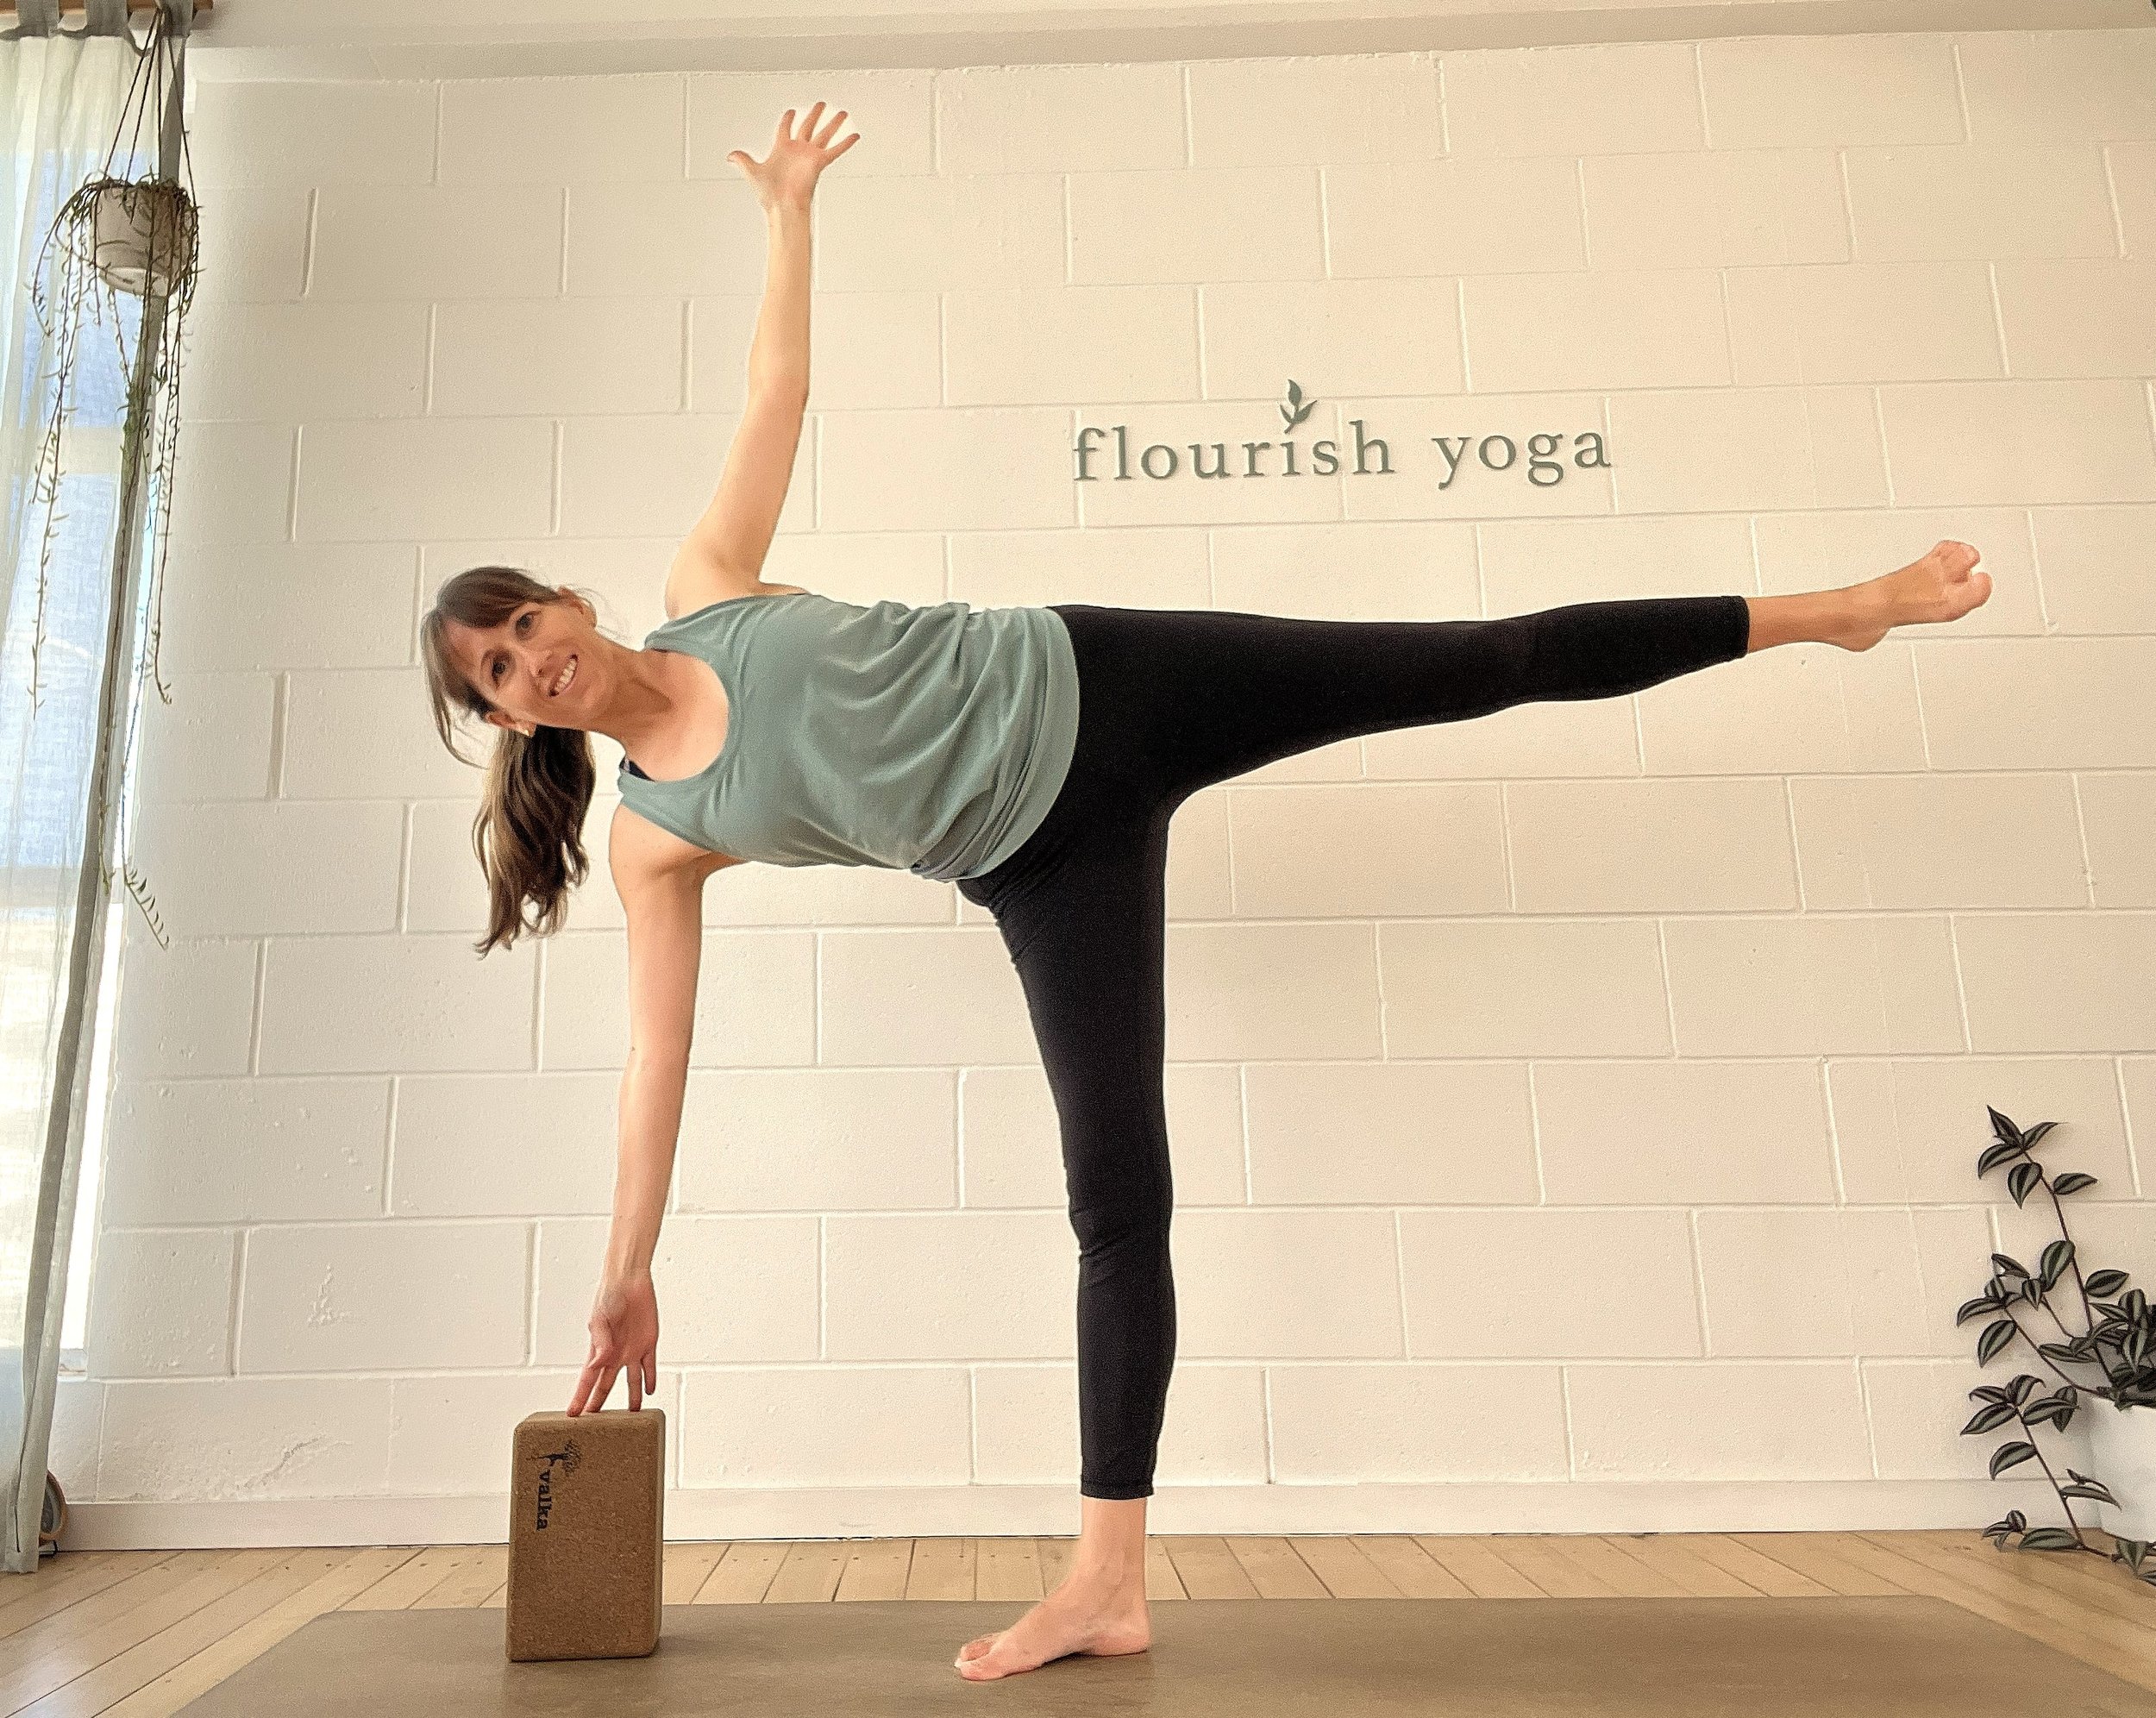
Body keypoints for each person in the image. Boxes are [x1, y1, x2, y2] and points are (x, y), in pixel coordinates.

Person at [419, 102, 1996, 1683]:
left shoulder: (714, 588)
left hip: (1105, 675)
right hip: (1042, 864)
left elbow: (779, 387)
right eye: (498, 678)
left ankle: (1838, 609)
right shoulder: (655, 835)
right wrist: (630, 1268)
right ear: (508, 718)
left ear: (565, 594)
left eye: (519, 626)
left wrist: (789, 216)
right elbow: (656, 1061)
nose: (530, 664)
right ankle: (1108, 1579)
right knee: (1120, 1203)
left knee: (1480, 662)